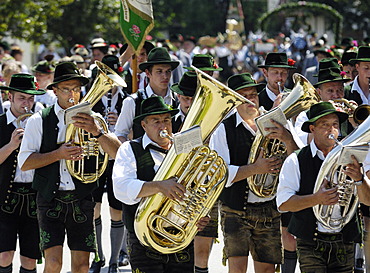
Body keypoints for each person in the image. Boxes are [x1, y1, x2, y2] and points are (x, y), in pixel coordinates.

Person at [18, 62, 121, 273]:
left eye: (76, 88)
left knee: (82, 265)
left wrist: (97, 132)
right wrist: (58, 154)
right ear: (55, 91)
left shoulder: (93, 119)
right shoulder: (39, 119)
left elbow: (118, 154)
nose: (72, 94)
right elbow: (25, 162)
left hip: (81, 197)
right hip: (49, 198)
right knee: (53, 263)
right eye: (66, 89)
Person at [209, 73, 301, 273]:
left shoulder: (274, 122)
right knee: (238, 268)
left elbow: (298, 162)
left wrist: (287, 139)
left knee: (267, 269)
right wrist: (256, 169)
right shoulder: (223, 130)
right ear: (234, 101)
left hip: (268, 208)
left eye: (253, 94)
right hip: (235, 209)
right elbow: (220, 176)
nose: (251, 99)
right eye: (244, 96)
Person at [112, 96, 209, 272]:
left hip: (180, 236)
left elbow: (201, 186)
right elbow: (121, 188)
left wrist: (200, 213)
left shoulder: (185, 149)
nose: (163, 126)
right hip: (144, 239)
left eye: (166, 120)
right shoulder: (130, 149)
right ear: (144, 125)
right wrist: (158, 186)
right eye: (156, 121)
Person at [277, 101, 370, 272]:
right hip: (311, 242)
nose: (331, 130)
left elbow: (368, 201)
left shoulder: (350, 157)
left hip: (344, 240)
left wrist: (359, 179)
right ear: (312, 129)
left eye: (335, 124)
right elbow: (283, 204)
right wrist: (316, 199)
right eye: (324, 125)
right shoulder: (296, 160)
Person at [0, 74, 46, 273]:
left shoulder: (41, 123)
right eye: (21, 98)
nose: (27, 104)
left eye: (30, 99)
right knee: (3, 255)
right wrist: (11, 146)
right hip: (5, 196)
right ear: (9, 97)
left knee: (29, 259)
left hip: (34, 196)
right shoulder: (0, 123)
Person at [89, 55, 128, 273]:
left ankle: (114, 260)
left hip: (117, 158)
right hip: (95, 159)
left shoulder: (127, 100)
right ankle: (98, 257)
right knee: (94, 208)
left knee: (116, 209)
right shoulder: (91, 100)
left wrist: (119, 124)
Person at [115, 47, 180, 142]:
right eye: (159, 71)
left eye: (168, 71)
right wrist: (132, 153)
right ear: (148, 73)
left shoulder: (178, 100)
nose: (165, 76)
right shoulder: (132, 101)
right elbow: (120, 134)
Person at [294, 58, 352, 145]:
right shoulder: (305, 116)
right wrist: (322, 117)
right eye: (330, 91)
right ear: (319, 92)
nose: (336, 95)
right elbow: (301, 143)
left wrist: (355, 122)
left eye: (340, 90)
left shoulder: (350, 112)